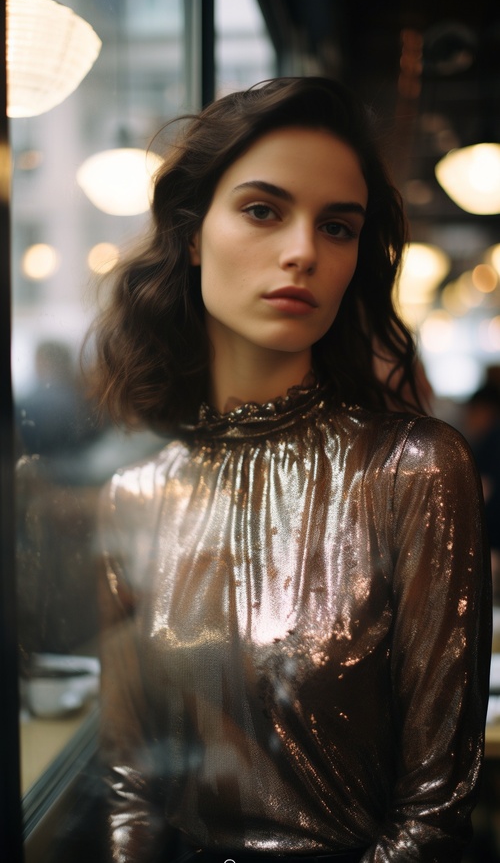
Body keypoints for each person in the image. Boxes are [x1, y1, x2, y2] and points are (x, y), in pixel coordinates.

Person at [89, 77, 491, 863]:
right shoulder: (135, 493)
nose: (304, 251)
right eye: (264, 210)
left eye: (337, 227)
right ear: (194, 233)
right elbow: (130, 780)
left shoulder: (412, 470)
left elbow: (436, 811)